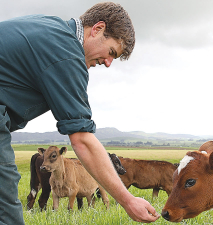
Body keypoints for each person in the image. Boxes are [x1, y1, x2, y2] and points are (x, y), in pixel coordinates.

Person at [0, 2, 160, 224]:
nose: (107, 63)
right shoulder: (67, 55)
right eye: (111, 52)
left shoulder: (51, 26)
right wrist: (128, 200)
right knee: (5, 208)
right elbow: (82, 140)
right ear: (97, 29)